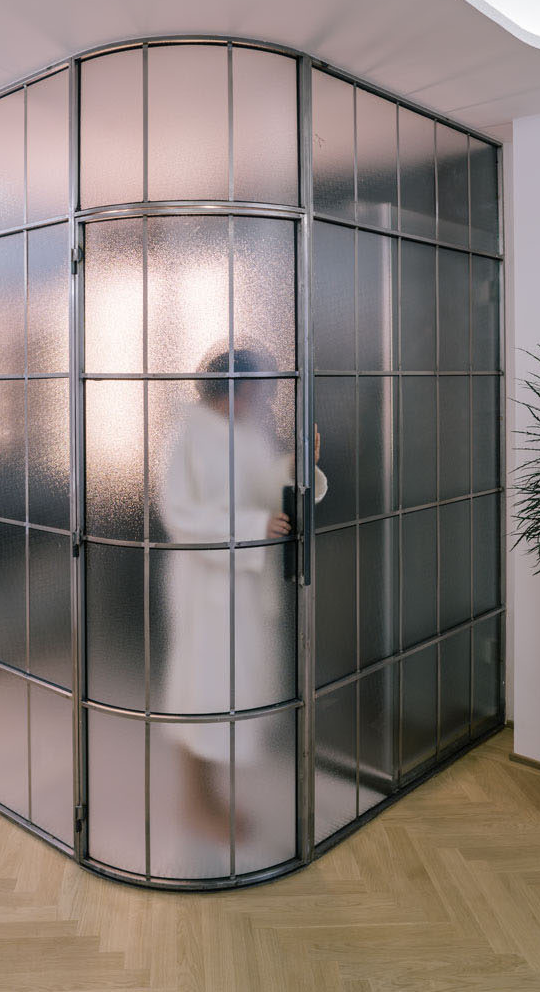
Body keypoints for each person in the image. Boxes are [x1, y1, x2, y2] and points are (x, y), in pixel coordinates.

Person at [160, 344, 328, 842]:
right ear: (234, 385)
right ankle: (196, 803)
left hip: (241, 585)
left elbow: (261, 486)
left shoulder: (245, 433)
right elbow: (179, 515)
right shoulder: (187, 435)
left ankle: (211, 798)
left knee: (226, 690)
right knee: (201, 692)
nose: (265, 395)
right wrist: (254, 526)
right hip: (205, 586)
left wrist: (297, 467)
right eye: (259, 385)